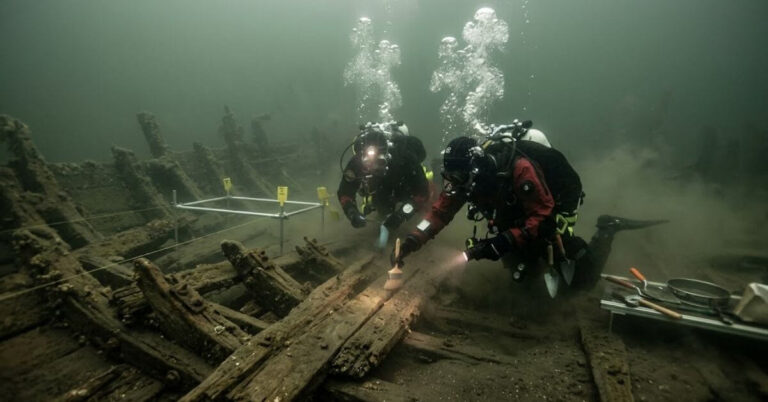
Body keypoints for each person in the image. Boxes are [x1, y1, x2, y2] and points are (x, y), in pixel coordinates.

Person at [392, 125, 666, 292]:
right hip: (514, 222)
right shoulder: (463, 182)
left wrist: (500, 243)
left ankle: (606, 229)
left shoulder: (520, 170)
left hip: (543, 216)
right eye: (449, 177)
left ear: (474, 169)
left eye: (458, 176)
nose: (453, 184)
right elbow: (439, 213)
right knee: (522, 278)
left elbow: (542, 216)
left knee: (582, 282)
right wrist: (413, 240)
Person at [337, 121, 431, 233]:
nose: (374, 168)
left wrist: (401, 215)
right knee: (382, 210)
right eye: (368, 163)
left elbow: (422, 193)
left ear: (387, 156)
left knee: (421, 207)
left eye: (379, 162)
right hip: (381, 190)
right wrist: (352, 212)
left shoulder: (405, 158)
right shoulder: (357, 163)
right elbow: (345, 191)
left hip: (404, 184)